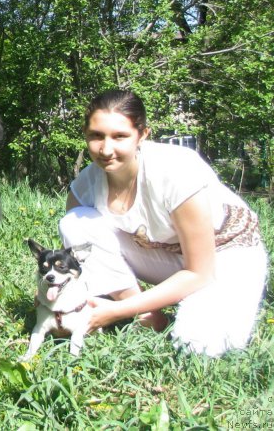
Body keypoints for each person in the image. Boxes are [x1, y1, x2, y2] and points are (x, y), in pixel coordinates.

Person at [59, 89, 268, 357]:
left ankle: (159, 310)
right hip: (161, 254)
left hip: (224, 254)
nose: (106, 149)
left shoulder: (174, 171)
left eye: (119, 136)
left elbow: (199, 272)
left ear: (142, 134)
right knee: (74, 223)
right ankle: (150, 318)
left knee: (199, 345)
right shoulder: (86, 184)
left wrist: (115, 311)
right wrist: (55, 293)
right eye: (96, 136)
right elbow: (72, 257)